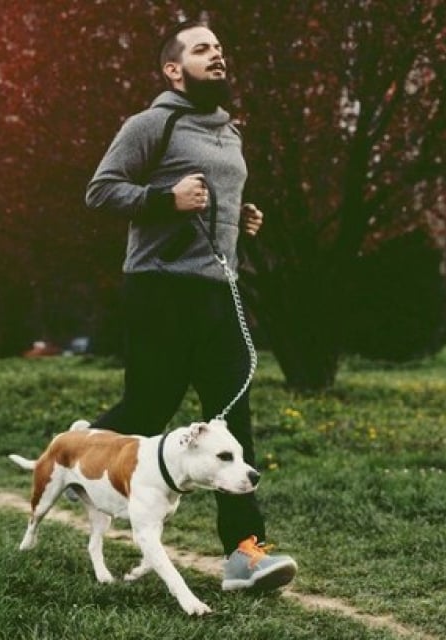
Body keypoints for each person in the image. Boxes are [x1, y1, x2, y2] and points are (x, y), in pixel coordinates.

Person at [84, 20, 297, 593]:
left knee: (235, 423)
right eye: (203, 50)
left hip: (216, 291)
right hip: (158, 289)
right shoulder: (152, 124)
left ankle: (246, 558)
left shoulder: (230, 132)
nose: (217, 56)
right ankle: (75, 453)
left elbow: (211, 208)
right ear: (174, 70)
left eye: (220, 49)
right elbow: (101, 190)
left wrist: (239, 220)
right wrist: (165, 198)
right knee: (149, 408)